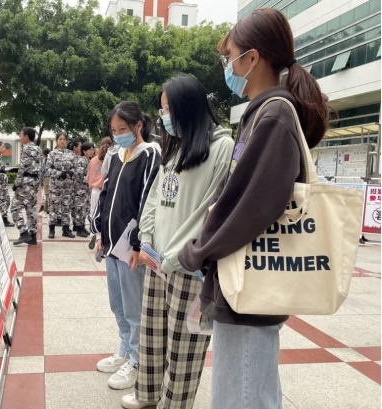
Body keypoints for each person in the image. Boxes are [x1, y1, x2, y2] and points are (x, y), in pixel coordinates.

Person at [178, 9, 330, 409]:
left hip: (250, 286)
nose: (227, 66)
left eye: (230, 56)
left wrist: (199, 251)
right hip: (245, 283)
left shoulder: (274, 114)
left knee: (242, 396)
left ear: (253, 58)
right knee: (249, 392)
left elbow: (248, 206)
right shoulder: (263, 112)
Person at [120, 75, 234, 409]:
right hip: (158, 261)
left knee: (184, 349)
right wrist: (146, 240)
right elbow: (155, 197)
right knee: (152, 336)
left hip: (189, 265)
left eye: (169, 108)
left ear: (189, 106)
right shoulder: (176, 147)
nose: (164, 116)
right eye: (163, 109)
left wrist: (173, 257)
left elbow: (210, 210)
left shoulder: (222, 147)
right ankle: (147, 394)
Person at [92, 101, 161, 390]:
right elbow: (105, 193)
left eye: (123, 129)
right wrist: (99, 231)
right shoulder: (117, 155)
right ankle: (124, 347)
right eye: (114, 130)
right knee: (117, 303)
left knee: (134, 307)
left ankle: (137, 359)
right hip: (111, 243)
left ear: (138, 126)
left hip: (130, 246)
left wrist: (137, 243)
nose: (118, 134)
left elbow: (146, 200)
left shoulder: (150, 154)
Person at [12, 128, 42, 246]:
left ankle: (23, 232)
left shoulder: (26, 148)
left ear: (26, 136)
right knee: (30, 209)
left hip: (25, 182)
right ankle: (33, 236)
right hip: (34, 182)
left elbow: (22, 167)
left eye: (21, 135)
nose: (20, 138)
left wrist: (16, 183)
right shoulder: (38, 148)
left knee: (14, 208)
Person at [47, 132, 77, 239]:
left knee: (66, 207)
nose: (62, 141)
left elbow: (75, 167)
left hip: (67, 186)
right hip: (55, 186)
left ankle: (66, 229)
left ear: (67, 141)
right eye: (60, 139)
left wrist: (71, 173)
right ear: (57, 141)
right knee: (53, 207)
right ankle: (51, 229)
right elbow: (48, 168)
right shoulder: (52, 154)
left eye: (64, 139)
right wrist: (60, 174)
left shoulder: (71, 154)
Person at [86, 137, 112, 250]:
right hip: (106, 191)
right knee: (105, 215)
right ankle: (103, 239)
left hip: (95, 191)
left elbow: (88, 177)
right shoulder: (112, 158)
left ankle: (95, 234)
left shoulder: (93, 160)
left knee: (94, 214)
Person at [73, 142, 94, 238]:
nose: (92, 151)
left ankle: (82, 227)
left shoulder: (88, 161)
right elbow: (79, 176)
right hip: (80, 189)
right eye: (90, 150)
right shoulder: (82, 161)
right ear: (84, 151)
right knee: (80, 209)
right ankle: (79, 228)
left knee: (84, 209)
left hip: (86, 190)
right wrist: (90, 180)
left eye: (92, 149)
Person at [69, 141, 82, 231]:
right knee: (73, 205)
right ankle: (75, 224)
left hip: (79, 185)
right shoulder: (70, 157)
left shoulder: (79, 157)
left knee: (77, 205)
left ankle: (77, 224)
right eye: (79, 146)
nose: (81, 148)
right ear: (74, 147)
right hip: (72, 185)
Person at [40, 148, 51, 217]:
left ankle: (47, 211)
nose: (42, 156)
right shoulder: (53, 159)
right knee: (50, 195)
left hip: (47, 178)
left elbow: (42, 172)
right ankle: (45, 210)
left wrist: (41, 183)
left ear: (44, 155)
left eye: (42, 155)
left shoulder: (45, 161)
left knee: (47, 195)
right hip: (53, 178)